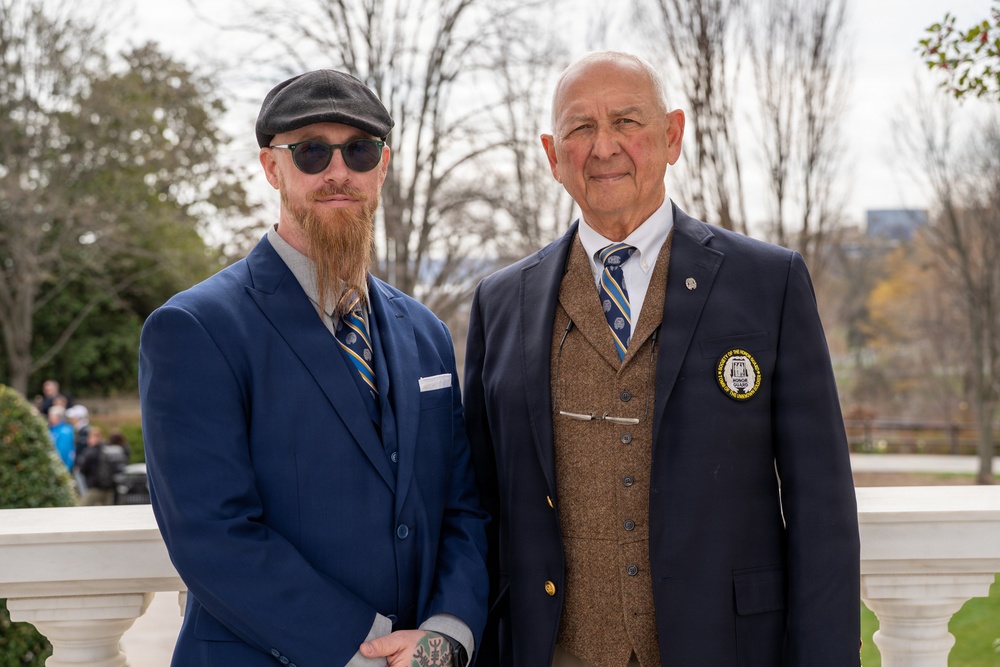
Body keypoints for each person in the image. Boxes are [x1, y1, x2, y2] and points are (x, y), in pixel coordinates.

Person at [463, 51, 860, 667]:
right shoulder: (500, 301)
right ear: (551, 154)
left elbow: (822, 506)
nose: (604, 148)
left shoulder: (769, 283)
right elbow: (481, 508)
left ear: (672, 136)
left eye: (627, 122)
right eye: (580, 128)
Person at [139, 69, 487, 667]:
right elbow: (211, 536)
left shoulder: (425, 332)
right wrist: (365, 650)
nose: (337, 171)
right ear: (272, 169)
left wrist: (447, 632)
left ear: (381, 166)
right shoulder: (194, 329)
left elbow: (461, 505)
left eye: (359, 149)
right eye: (310, 152)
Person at [77, 426, 128, 506]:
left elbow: (83, 469)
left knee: (81, 508)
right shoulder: (109, 449)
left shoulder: (91, 451)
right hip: (110, 488)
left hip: (95, 488)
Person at [65, 404, 92, 494]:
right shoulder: (80, 431)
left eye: (73, 417)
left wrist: (80, 464)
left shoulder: (85, 431)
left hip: (83, 467)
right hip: (81, 466)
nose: (71, 420)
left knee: (85, 492)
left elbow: (86, 451)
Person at [46, 404, 75, 473]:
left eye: (51, 416)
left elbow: (63, 451)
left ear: (58, 417)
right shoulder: (51, 429)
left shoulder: (65, 431)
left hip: (62, 468)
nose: (49, 418)